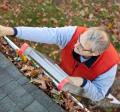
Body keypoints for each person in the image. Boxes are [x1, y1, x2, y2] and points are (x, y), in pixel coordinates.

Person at [0, 25, 119, 101]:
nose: (75, 45)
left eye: (81, 47)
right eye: (79, 40)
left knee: (94, 94)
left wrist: (82, 82)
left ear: (95, 53)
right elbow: (46, 33)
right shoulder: (75, 33)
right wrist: (11, 31)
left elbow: (98, 95)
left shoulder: (109, 66)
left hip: (85, 85)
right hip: (65, 71)